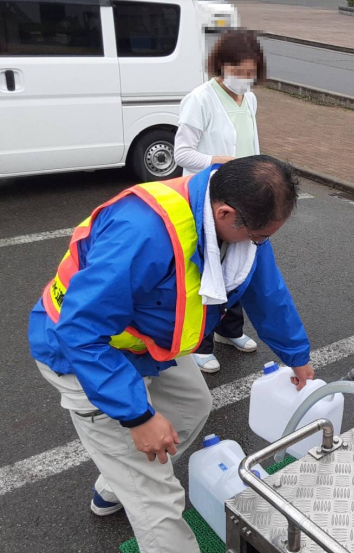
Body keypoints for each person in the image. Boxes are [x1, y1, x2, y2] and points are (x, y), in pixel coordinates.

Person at [28, 157, 314, 553]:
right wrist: (138, 416)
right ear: (225, 212)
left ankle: (115, 483)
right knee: (157, 500)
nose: (258, 245)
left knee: (193, 404)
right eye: (257, 236)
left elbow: (265, 290)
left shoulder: (238, 226)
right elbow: (80, 330)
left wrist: (295, 353)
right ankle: (131, 479)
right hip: (81, 354)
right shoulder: (143, 231)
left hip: (146, 344)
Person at [174, 29, 266, 373]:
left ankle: (231, 330)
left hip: (242, 196)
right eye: (239, 72)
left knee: (236, 266)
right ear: (222, 65)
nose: (245, 79)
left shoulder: (250, 99)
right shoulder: (199, 99)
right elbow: (181, 152)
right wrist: (218, 161)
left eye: (250, 72)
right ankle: (200, 342)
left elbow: (251, 142)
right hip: (208, 198)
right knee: (205, 268)